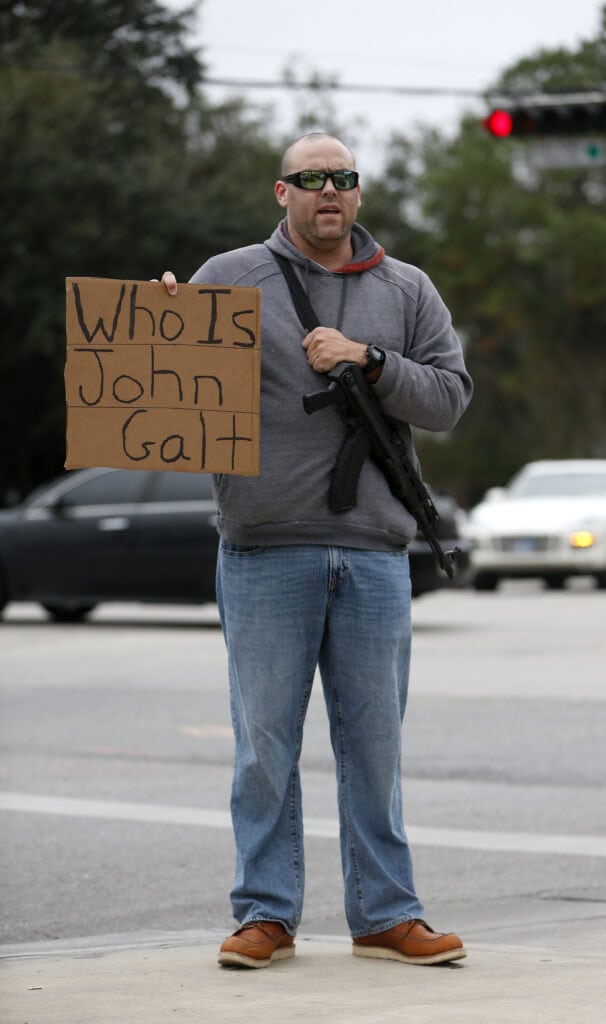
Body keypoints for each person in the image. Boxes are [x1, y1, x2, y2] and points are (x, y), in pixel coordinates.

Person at [160, 132, 473, 968]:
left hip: (374, 552)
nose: (327, 189)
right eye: (310, 178)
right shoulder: (228, 278)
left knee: (375, 750)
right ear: (282, 191)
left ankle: (385, 914)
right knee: (263, 748)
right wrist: (162, 325)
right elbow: (169, 388)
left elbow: (448, 399)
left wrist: (369, 361)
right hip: (263, 548)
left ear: (358, 192)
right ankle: (265, 914)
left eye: (342, 177)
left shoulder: (406, 288)